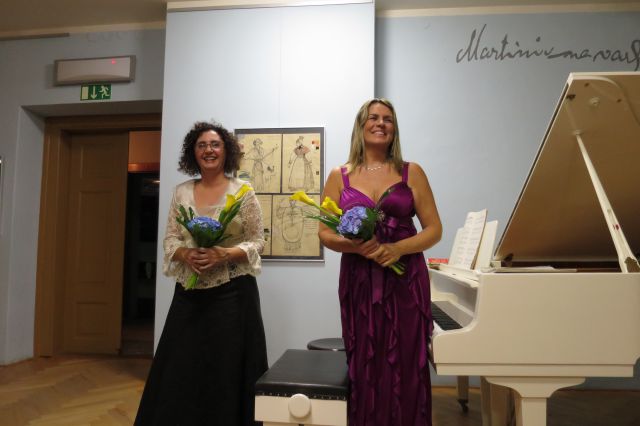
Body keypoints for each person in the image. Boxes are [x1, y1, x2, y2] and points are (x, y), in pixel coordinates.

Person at [135, 121, 268, 425]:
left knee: (227, 366)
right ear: (193, 153)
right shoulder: (181, 192)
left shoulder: (243, 191)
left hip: (234, 293)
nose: (209, 150)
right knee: (181, 364)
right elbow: (170, 240)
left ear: (226, 151)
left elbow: (257, 241)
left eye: (215, 144)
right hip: (190, 293)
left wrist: (224, 254)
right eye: (202, 145)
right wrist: (186, 254)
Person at [319, 99, 442, 426]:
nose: (381, 123)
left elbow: (434, 230)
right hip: (359, 280)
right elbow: (324, 234)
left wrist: (398, 248)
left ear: (394, 129)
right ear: (361, 126)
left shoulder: (412, 172)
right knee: (365, 359)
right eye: (373, 117)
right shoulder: (339, 176)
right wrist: (355, 247)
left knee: (407, 359)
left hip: (405, 280)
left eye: (388, 119)